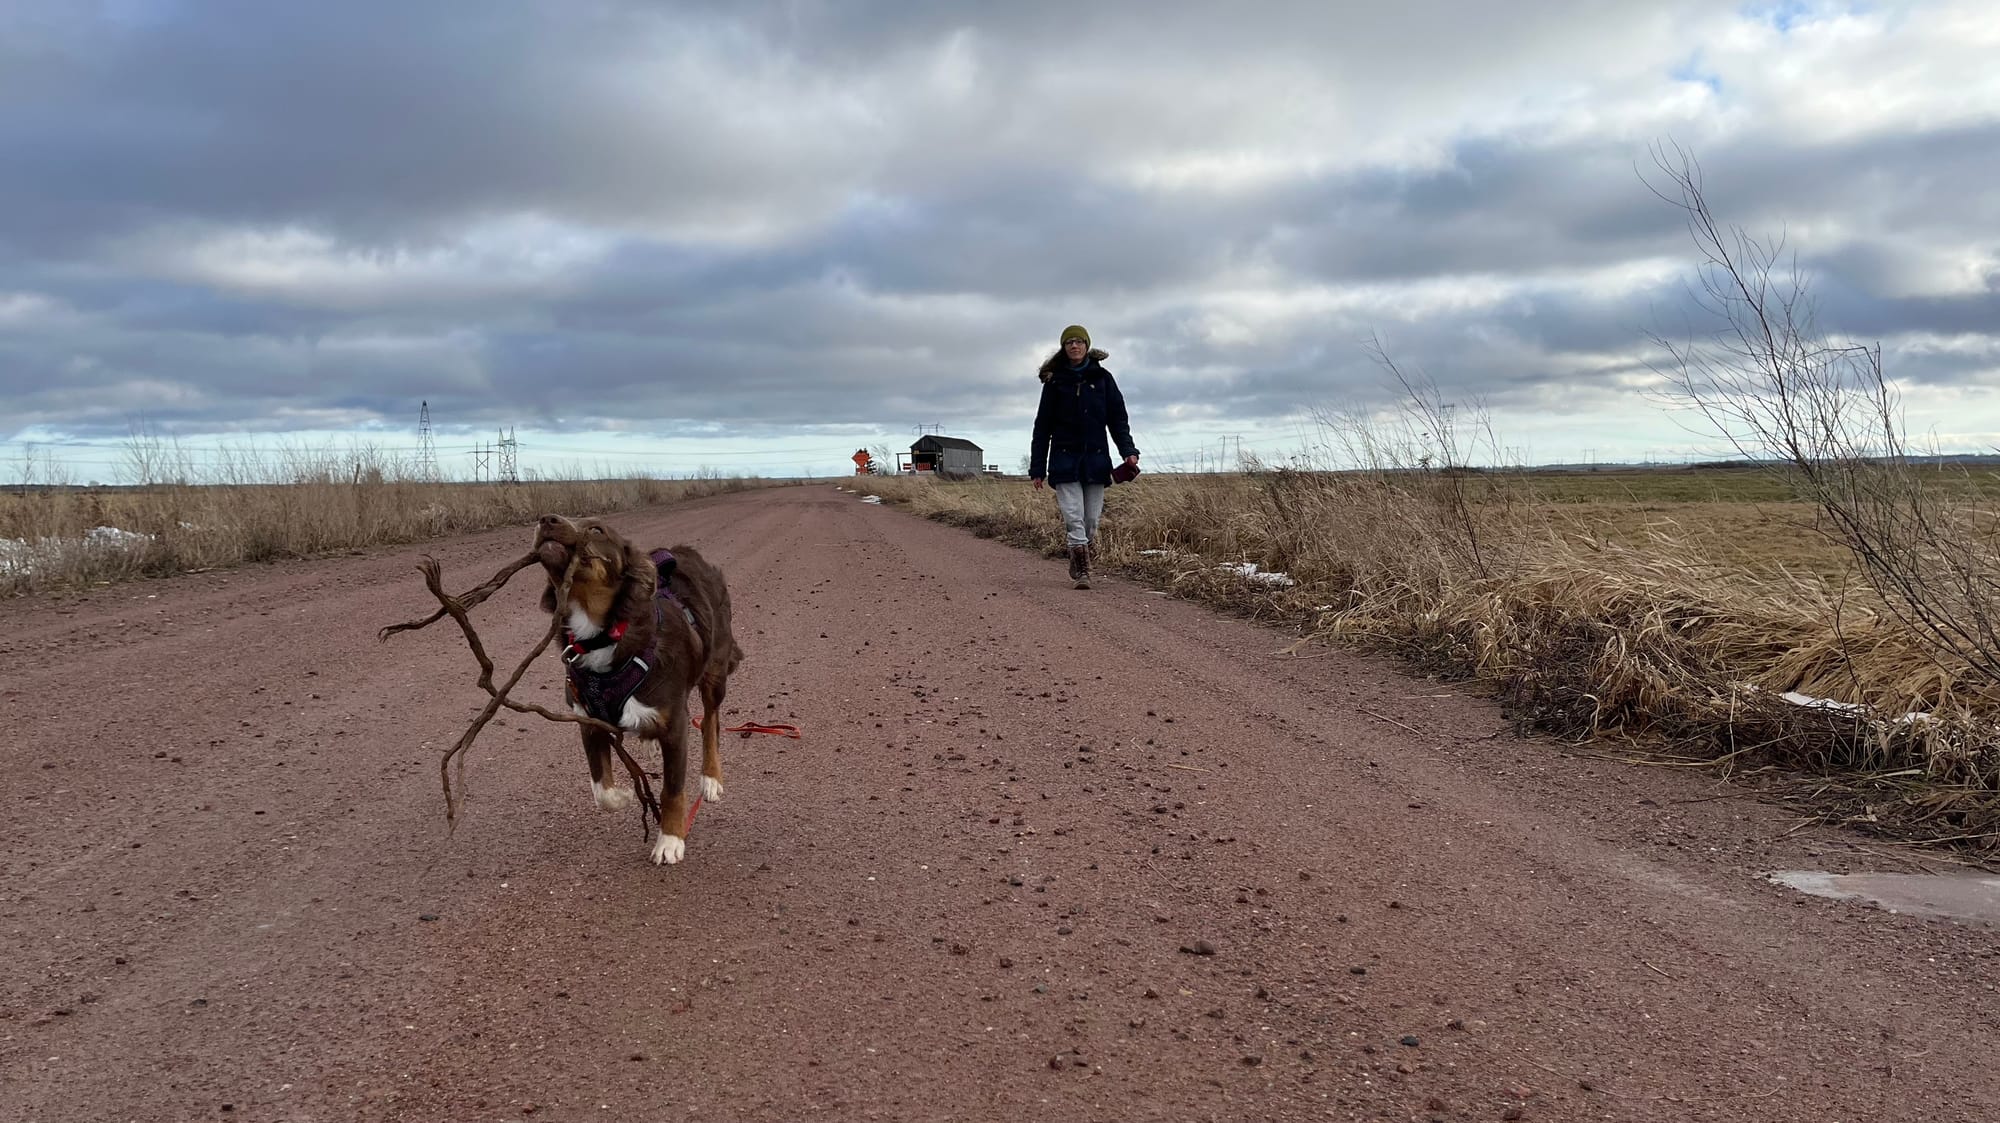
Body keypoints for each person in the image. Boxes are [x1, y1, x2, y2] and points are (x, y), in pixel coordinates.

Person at [1028, 324, 1139, 589]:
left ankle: (1078, 555)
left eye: (1078, 342)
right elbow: (1042, 427)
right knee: (1073, 516)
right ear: (1063, 348)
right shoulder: (1054, 382)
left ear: (1087, 346)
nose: (1074, 346)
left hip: (1096, 460)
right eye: (1069, 343)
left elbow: (1118, 419)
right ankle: (1083, 570)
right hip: (1064, 459)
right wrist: (1037, 468)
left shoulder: (1103, 379)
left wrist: (1128, 451)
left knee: (1091, 521)